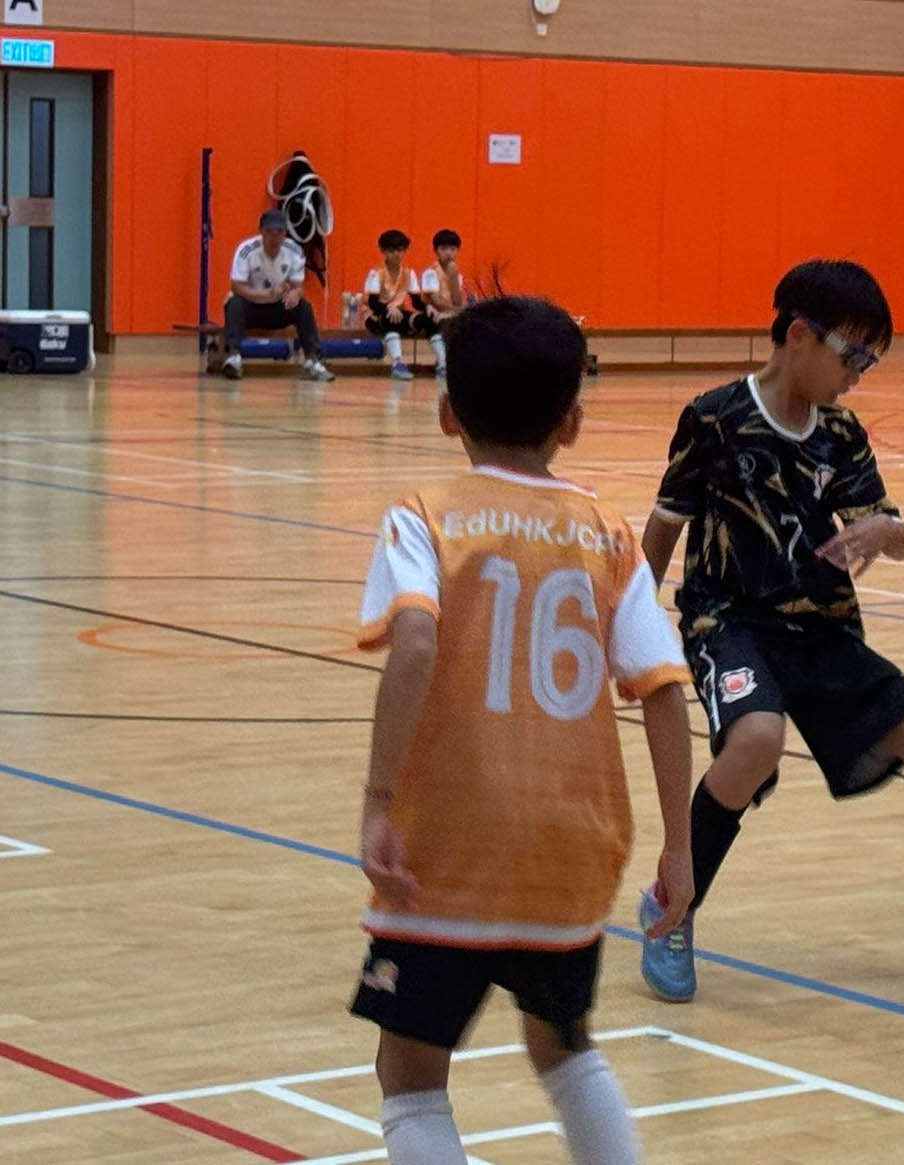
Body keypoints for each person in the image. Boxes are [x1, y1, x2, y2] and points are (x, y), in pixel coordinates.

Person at [349, 296, 695, 1164]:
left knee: (411, 1077)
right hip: (571, 850)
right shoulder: (606, 535)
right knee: (564, 1048)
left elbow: (415, 640)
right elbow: (662, 690)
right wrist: (680, 847)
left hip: (446, 852)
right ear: (571, 422)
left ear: (447, 412)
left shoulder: (424, 514)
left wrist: (378, 801)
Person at [635, 258, 904, 1005]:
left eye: (869, 362)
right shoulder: (714, 417)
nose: (858, 375)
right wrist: (633, 629)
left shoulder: (842, 433)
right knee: (755, 740)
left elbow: (892, 528)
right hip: (730, 622)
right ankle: (672, 906)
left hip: (824, 632)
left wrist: (887, 532)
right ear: (798, 336)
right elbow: (665, 525)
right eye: (852, 356)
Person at [221, 208, 335, 381]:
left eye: (279, 232)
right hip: (252, 305)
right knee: (234, 303)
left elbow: (298, 287)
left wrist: (295, 295)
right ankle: (233, 357)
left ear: (285, 233)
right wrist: (264, 295)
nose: (274, 238)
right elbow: (236, 286)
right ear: (261, 232)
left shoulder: (294, 251)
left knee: (304, 307)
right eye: (270, 232)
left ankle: (313, 360)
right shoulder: (247, 250)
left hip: (278, 308)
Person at [364, 229, 432, 381]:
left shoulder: (409, 273)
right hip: (375, 315)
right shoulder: (376, 273)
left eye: (400, 250)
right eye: (391, 251)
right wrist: (389, 308)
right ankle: (398, 362)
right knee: (390, 319)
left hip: (399, 314)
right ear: (383, 251)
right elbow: (373, 303)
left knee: (427, 319)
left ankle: (443, 364)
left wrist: (430, 308)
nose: (396, 254)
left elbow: (416, 302)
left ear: (405, 250)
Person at [419, 228, 468, 378]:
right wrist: (456, 311)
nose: (448, 253)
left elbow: (457, 301)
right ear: (436, 251)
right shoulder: (430, 272)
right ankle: (443, 364)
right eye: (444, 249)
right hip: (432, 312)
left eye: (453, 249)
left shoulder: (456, 273)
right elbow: (436, 301)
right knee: (438, 322)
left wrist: (453, 279)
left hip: (449, 312)